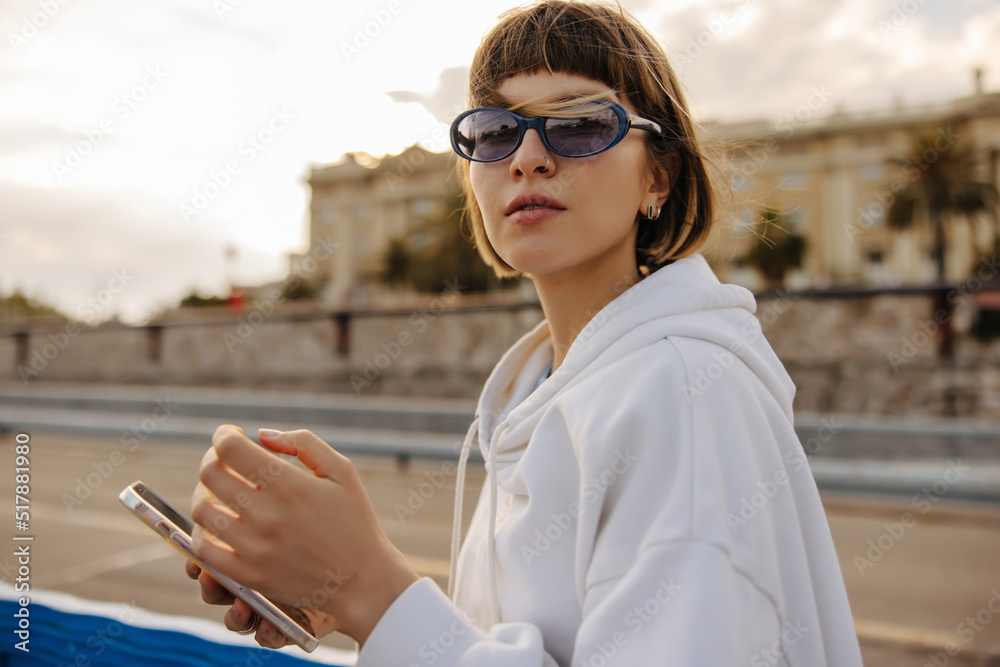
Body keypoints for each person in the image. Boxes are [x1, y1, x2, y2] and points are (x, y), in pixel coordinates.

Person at [186, 2, 865, 664]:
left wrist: (376, 589)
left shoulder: (681, 391)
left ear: (658, 174)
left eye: (578, 125)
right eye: (493, 132)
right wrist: (341, 589)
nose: (529, 157)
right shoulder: (550, 388)